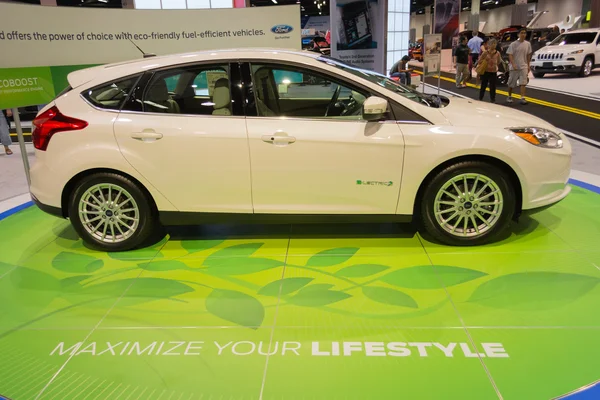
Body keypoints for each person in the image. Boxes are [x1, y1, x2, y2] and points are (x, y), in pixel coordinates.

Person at [506, 28, 532, 105]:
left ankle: (522, 97)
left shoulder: (528, 44)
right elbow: (510, 54)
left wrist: (528, 65)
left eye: (524, 33)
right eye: (521, 33)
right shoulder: (513, 44)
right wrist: (513, 64)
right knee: (511, 83)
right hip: (514, 67)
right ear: (518, 34)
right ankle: (509, 96)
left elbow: (528, 55)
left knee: (523, 83)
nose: (523, 34)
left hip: (523, 66)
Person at [477, 38, 502, 103]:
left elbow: (499, 61)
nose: (494, 45)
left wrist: (495, 65)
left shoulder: (497, 53)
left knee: (493, 87)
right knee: (483, 85)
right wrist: (485, 60)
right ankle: (480, 97)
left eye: (495, 43)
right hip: (486, 71)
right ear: (489, 45)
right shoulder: (485, 53)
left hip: (493, 72)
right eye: (492, 44)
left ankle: (492, 99)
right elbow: (479, 61)